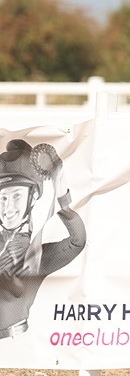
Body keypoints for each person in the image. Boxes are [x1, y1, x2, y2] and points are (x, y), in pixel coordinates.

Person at [0, 140, 86, 339]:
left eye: (16, 196)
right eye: (2, 198)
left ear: (33, 197)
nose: (8, 208)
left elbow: (77, 241)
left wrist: (61, 196)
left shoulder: (36, 257)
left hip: (16, 342)